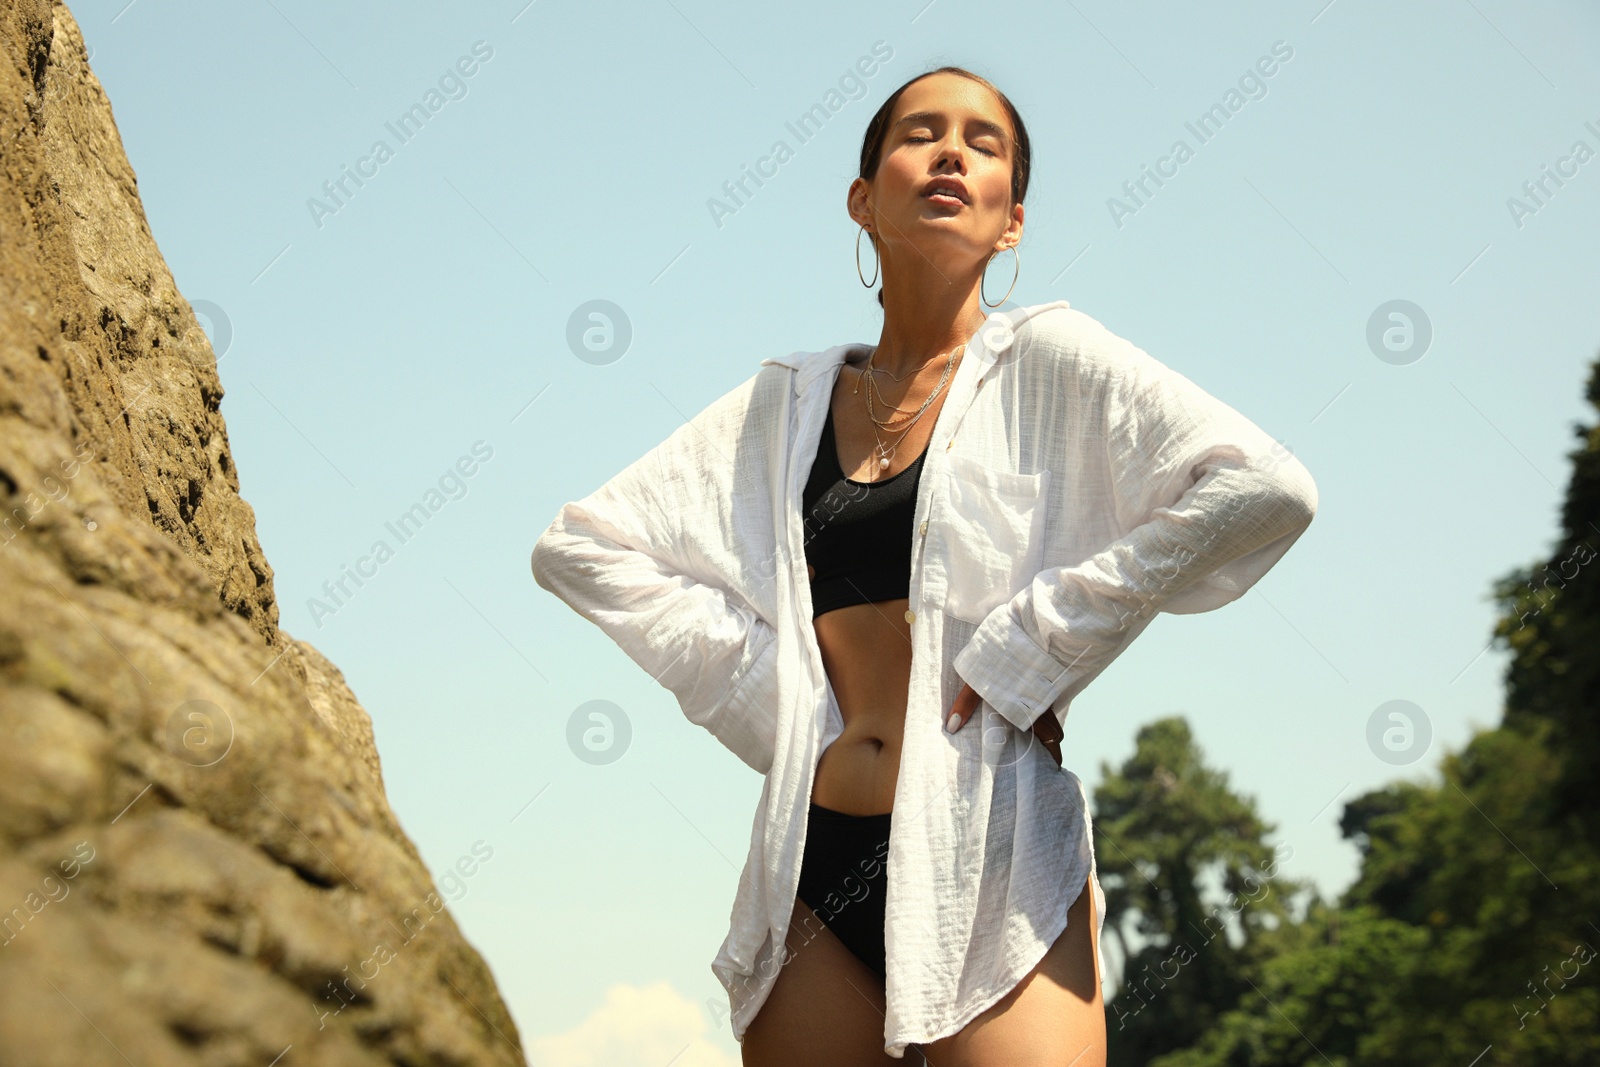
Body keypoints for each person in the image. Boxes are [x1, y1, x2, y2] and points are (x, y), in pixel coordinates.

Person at [531, 65, 1318, 1065]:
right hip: (813, 860)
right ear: (862, 200)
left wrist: (1038, 638)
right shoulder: (784, 405)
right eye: (919, 133)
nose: (951, 152)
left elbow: (1263, 486)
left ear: (1011, 222)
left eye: (983, 143)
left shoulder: (1053, 361)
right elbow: (583, 546)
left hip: (993, 857)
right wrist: (769, 696)